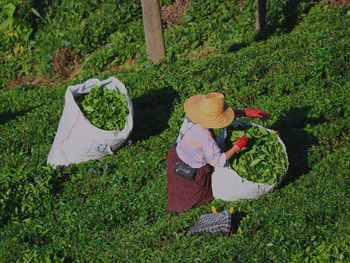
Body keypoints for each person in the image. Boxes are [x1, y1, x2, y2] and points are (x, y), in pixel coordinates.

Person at [164, 92, 270, 214]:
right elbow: (219, 161)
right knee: (197, 195)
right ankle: (178, 208)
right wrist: (237, 147)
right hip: (191, 171)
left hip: (176, 156)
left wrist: (245, 112)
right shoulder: (206, 139)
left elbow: (221, 115)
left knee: (176, 187)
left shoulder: (193, 118)